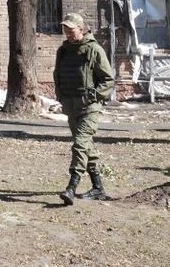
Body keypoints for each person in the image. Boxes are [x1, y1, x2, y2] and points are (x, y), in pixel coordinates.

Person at [54, 12, 115, 205]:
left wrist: (94, 96)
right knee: (86, 147)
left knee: (79, 145)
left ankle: (72, 186)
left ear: (81, 28)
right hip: (71, 106)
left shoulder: (94, 50)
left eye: (70, 29)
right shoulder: (63, 51)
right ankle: (98, 187)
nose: (67, 32)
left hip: (89, 108)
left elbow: (108, 79)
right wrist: (61, 97)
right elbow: (58, 76)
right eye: (65, 29)